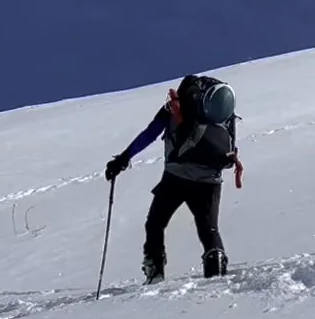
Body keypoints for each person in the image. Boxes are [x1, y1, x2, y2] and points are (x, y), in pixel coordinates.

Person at [104, 74, 244, 283]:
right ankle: (216, 268)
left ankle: (155, 271)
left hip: (176, 177)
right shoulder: (220, 114)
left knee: (155, 224)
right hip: (209, 180)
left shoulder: (175, 108)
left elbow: (149, 134)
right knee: (209, 228)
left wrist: (123, 159)